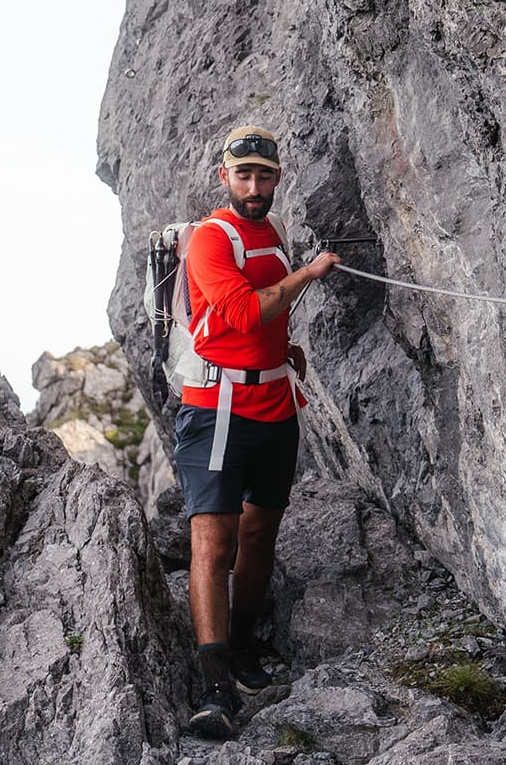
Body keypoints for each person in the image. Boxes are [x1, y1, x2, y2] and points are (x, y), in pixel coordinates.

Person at [175, 125, 341, 739]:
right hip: (217, 407)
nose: (252, 186)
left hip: (273, 401)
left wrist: (285, 347)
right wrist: (310, 273)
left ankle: (243, 645)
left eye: (263, 176)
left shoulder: (269, 234)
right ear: (225, 177)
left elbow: (264, 318)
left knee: (261, 527)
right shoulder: (211, 241)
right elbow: (244, 310)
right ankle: (215, 686)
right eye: (242, 175)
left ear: (276, 179)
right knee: (214, 542)